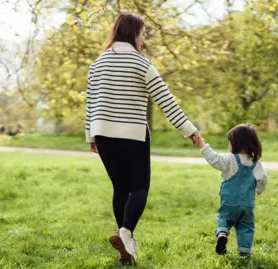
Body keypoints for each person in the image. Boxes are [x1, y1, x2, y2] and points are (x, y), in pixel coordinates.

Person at [84, 13, 202, 264]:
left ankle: (127, 249)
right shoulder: (141, 63)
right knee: (139, 189)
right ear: (133, 32)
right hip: (133, 136)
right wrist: (189, 129)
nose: (144, 38)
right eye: (143, 32)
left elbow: (90, 104)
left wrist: (90, 135)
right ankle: (125, 234)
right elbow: (166, 101)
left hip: (103, 134)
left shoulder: (97, 64)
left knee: (120, 189)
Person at [196, 124, 268, 258]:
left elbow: (214, 159)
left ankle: (222, 233)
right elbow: (263, 178)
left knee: (224, 219)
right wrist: (259, 189)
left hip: (229, 202)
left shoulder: (230, 159)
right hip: (247, 205)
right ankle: (244, 253)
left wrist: (203, 146)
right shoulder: (255, 163)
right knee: (246, 227)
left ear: (235, 143)